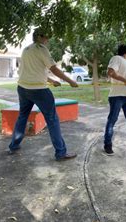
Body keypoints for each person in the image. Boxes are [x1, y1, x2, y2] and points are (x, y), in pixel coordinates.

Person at [8, 28, 78, 161]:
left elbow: (34, 71)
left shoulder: (26, 50)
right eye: (46, 37)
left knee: (22, 117)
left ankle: (14, 146)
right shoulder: (41, 49)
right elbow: (54, 68)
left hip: (23, 88)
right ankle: (61, 152)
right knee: (52, 120)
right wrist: (70, 81)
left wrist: (52, 80)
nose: (48, 40)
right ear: (39, 37)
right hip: (39, 91)